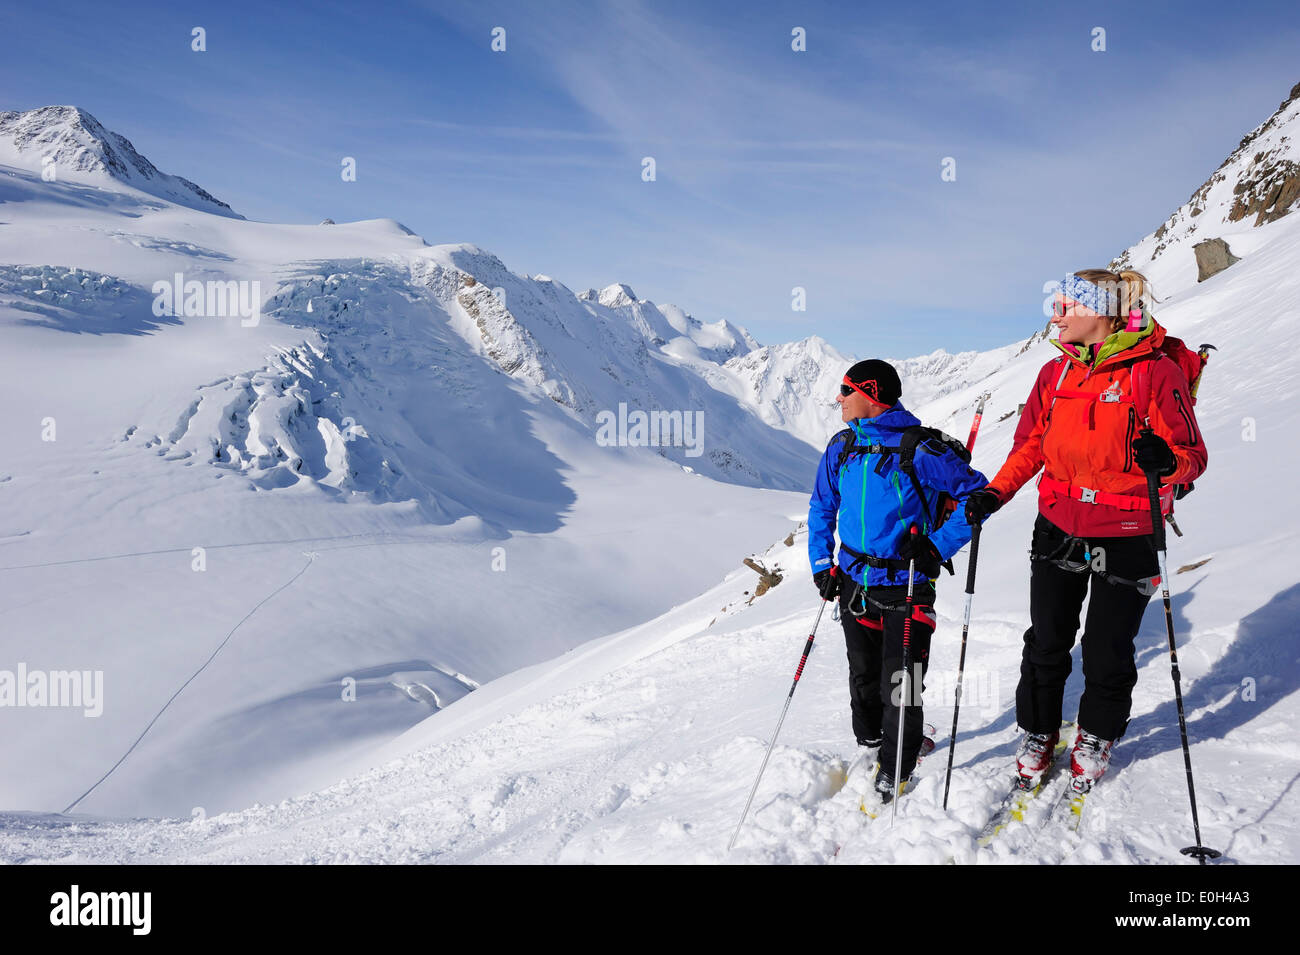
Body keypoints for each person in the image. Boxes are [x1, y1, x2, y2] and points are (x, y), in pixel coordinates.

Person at [965, 269, 1208, 794]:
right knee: (1046, 641)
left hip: (1129, 530)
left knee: (1107, 646)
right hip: (1057, 523)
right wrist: (996, 492)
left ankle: (1096, 735)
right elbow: (1029, 446)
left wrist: (1165, 461)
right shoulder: (1055, 374)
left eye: (1066, 306)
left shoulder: (1154, 373)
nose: (1055, 316)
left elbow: (1193, 457)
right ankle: (1037, 732)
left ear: (1100, 311)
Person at [808, 359, 988, 804]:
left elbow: (977, 497)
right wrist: (819, 563)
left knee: (901, 682)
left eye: (846, 391)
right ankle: (871, 745)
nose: (839, 399)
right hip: (853, 582)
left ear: (871, 393)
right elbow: (821, 506)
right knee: (864, 678)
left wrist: (935, 548)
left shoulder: (919, 449)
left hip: (905, 583)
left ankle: (897, 767)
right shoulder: (842, 447)